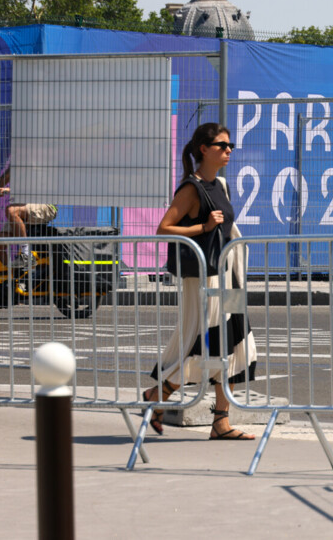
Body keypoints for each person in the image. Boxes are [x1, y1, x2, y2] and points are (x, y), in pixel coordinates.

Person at [142, 122, 257, 440]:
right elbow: (164, 228)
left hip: (229, 277)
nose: (229, 150)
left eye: (231, 145)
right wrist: (203, 228)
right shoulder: (191, 189)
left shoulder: (221, 184)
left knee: (236, 343)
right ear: (204, 149)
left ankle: (221, 422)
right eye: (222, 145)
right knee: (207, 344)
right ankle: (158, 394)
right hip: (206, 279)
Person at [0, 166, 58, 262]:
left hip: (46, 205)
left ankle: (26, 254)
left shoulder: (39, 163)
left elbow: (35, 190)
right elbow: (0, 181)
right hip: (25, 207)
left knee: (11, 210)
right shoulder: (17, 162)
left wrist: (7, 190)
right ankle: (11, 276)